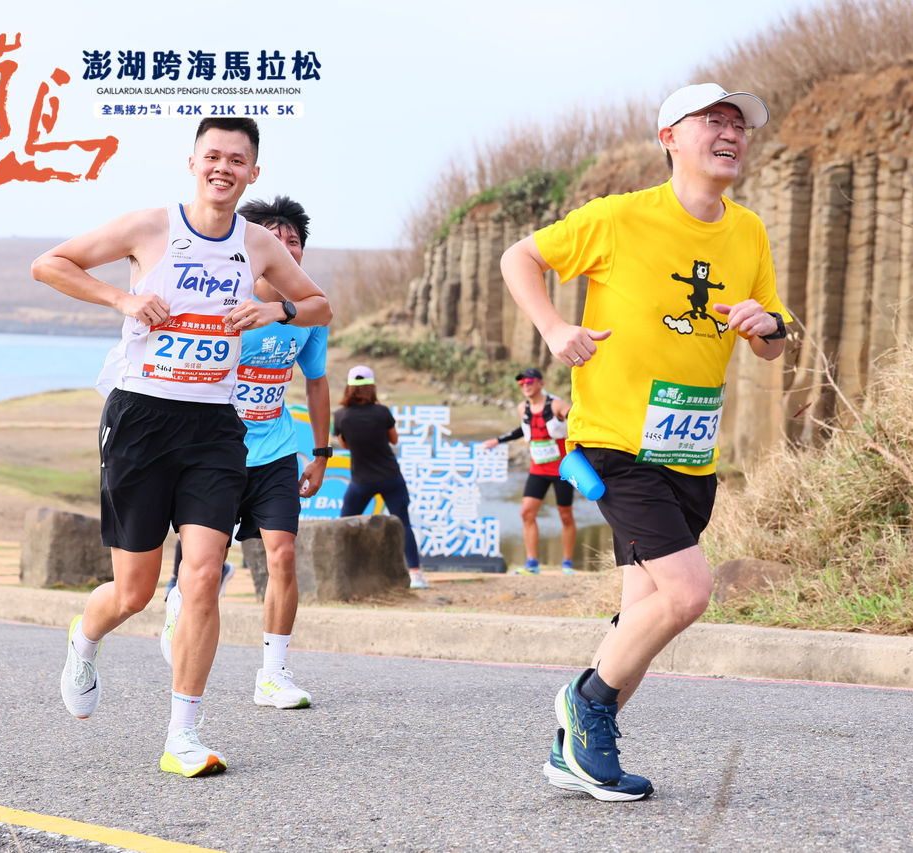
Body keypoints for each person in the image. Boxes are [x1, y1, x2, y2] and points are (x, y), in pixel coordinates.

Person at [500, 83, 791, 802]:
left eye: (739, 125)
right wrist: (554, 328)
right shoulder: (619, 217)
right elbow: (519, 258)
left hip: (691, 452)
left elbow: (772, 340)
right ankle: (585, 700)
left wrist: (768, 327)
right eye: (713, 121)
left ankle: (573, 754)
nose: (731, 134)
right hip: (618, 443)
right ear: (669, 137)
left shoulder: (748, 232)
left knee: (641, 616)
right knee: (689, 593)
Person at [31, 117, 332, 778]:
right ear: (193, 163)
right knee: (133, 592)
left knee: (202, 573)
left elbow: (319, 305)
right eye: (213, 155)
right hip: (141, 418)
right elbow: (49, 264)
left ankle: (183, 736)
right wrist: (122, 297)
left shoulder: (257, 244)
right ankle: (84, 639)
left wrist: (276, 310)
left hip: (214, 427)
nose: (224, 167)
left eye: (237, 159)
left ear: (253, 173)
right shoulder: (150, 227)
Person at [160, 195, 332, 713]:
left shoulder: (309, 314)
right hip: (216, 451)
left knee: (282, 554)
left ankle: (273, 674)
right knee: (204, 566)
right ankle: (177, 599)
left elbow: (317, 382)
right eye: (273, 240)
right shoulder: (223, 301)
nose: (285, 249)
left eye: (294, 242)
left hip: (276, 449)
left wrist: (320, 453)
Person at [332, 365, 428, 590]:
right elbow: (394, 440)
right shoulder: (382, 412)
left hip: (361, 480)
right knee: (403, 524)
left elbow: (345, 444)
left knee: (344, 523)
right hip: (390, 477)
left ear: (349, 388)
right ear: (371, 388)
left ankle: (342, 572)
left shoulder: (341, 416)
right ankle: (416, 574)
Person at [482, 367, 576, 574]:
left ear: (541, 383)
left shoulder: (556, 405)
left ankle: (567, 563)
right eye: (522, 383)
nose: (525, 385)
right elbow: (524, 429)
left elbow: (578, 420)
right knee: (526, 512)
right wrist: (498, 440)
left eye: (530, 381)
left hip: (562, 469)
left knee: (565, 515)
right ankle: (532, 563)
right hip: (538, 469)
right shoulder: (522, 408)